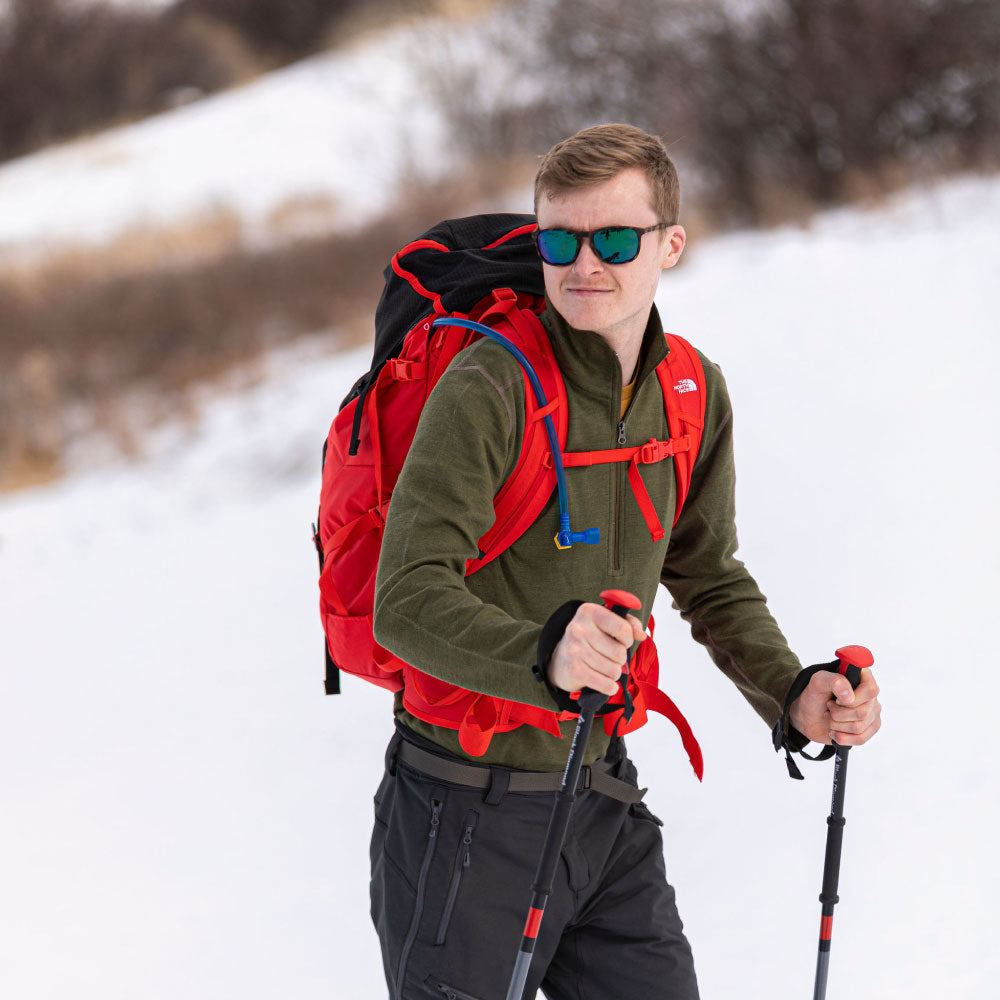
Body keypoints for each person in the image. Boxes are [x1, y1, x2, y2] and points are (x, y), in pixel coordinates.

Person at [368, 123, 882, 1000]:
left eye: (613, 239)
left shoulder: (690, 389)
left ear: (669, 244)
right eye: (558, 240)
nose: (582, 264)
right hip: (465, 808)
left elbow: (707, 571)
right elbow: (405, 599)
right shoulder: (489, 388)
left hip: (601, 802)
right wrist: (545, 653)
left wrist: (790, 690)